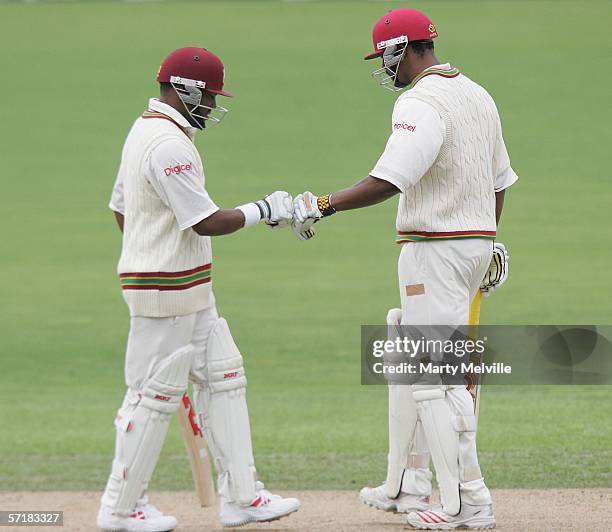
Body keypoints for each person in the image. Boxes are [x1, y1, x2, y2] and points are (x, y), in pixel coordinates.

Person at [292, 8, 517, 530]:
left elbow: (389, 179)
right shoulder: (478, 93)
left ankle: (466, 503)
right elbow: (500, 179)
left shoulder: (420, 102)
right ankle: (406, 484)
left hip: (435, 250)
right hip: (469, 247)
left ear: (404, 50)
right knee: (407, 350)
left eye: (385, 58)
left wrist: (321, 204)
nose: (384, 69)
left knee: (434, 379)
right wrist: (487, 239)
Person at [98, 47, 300, 531]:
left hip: (187, 283)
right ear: (187, 90)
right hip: (164, 289)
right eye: (209, 96)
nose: (211, 105)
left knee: (224, 375)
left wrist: (151, 244)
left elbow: (121, 208)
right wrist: (266, 209)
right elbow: (207, 221)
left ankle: (242, 498)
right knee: (152, 395)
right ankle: (120, 509)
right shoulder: (167, 144)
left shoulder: (145, 128)